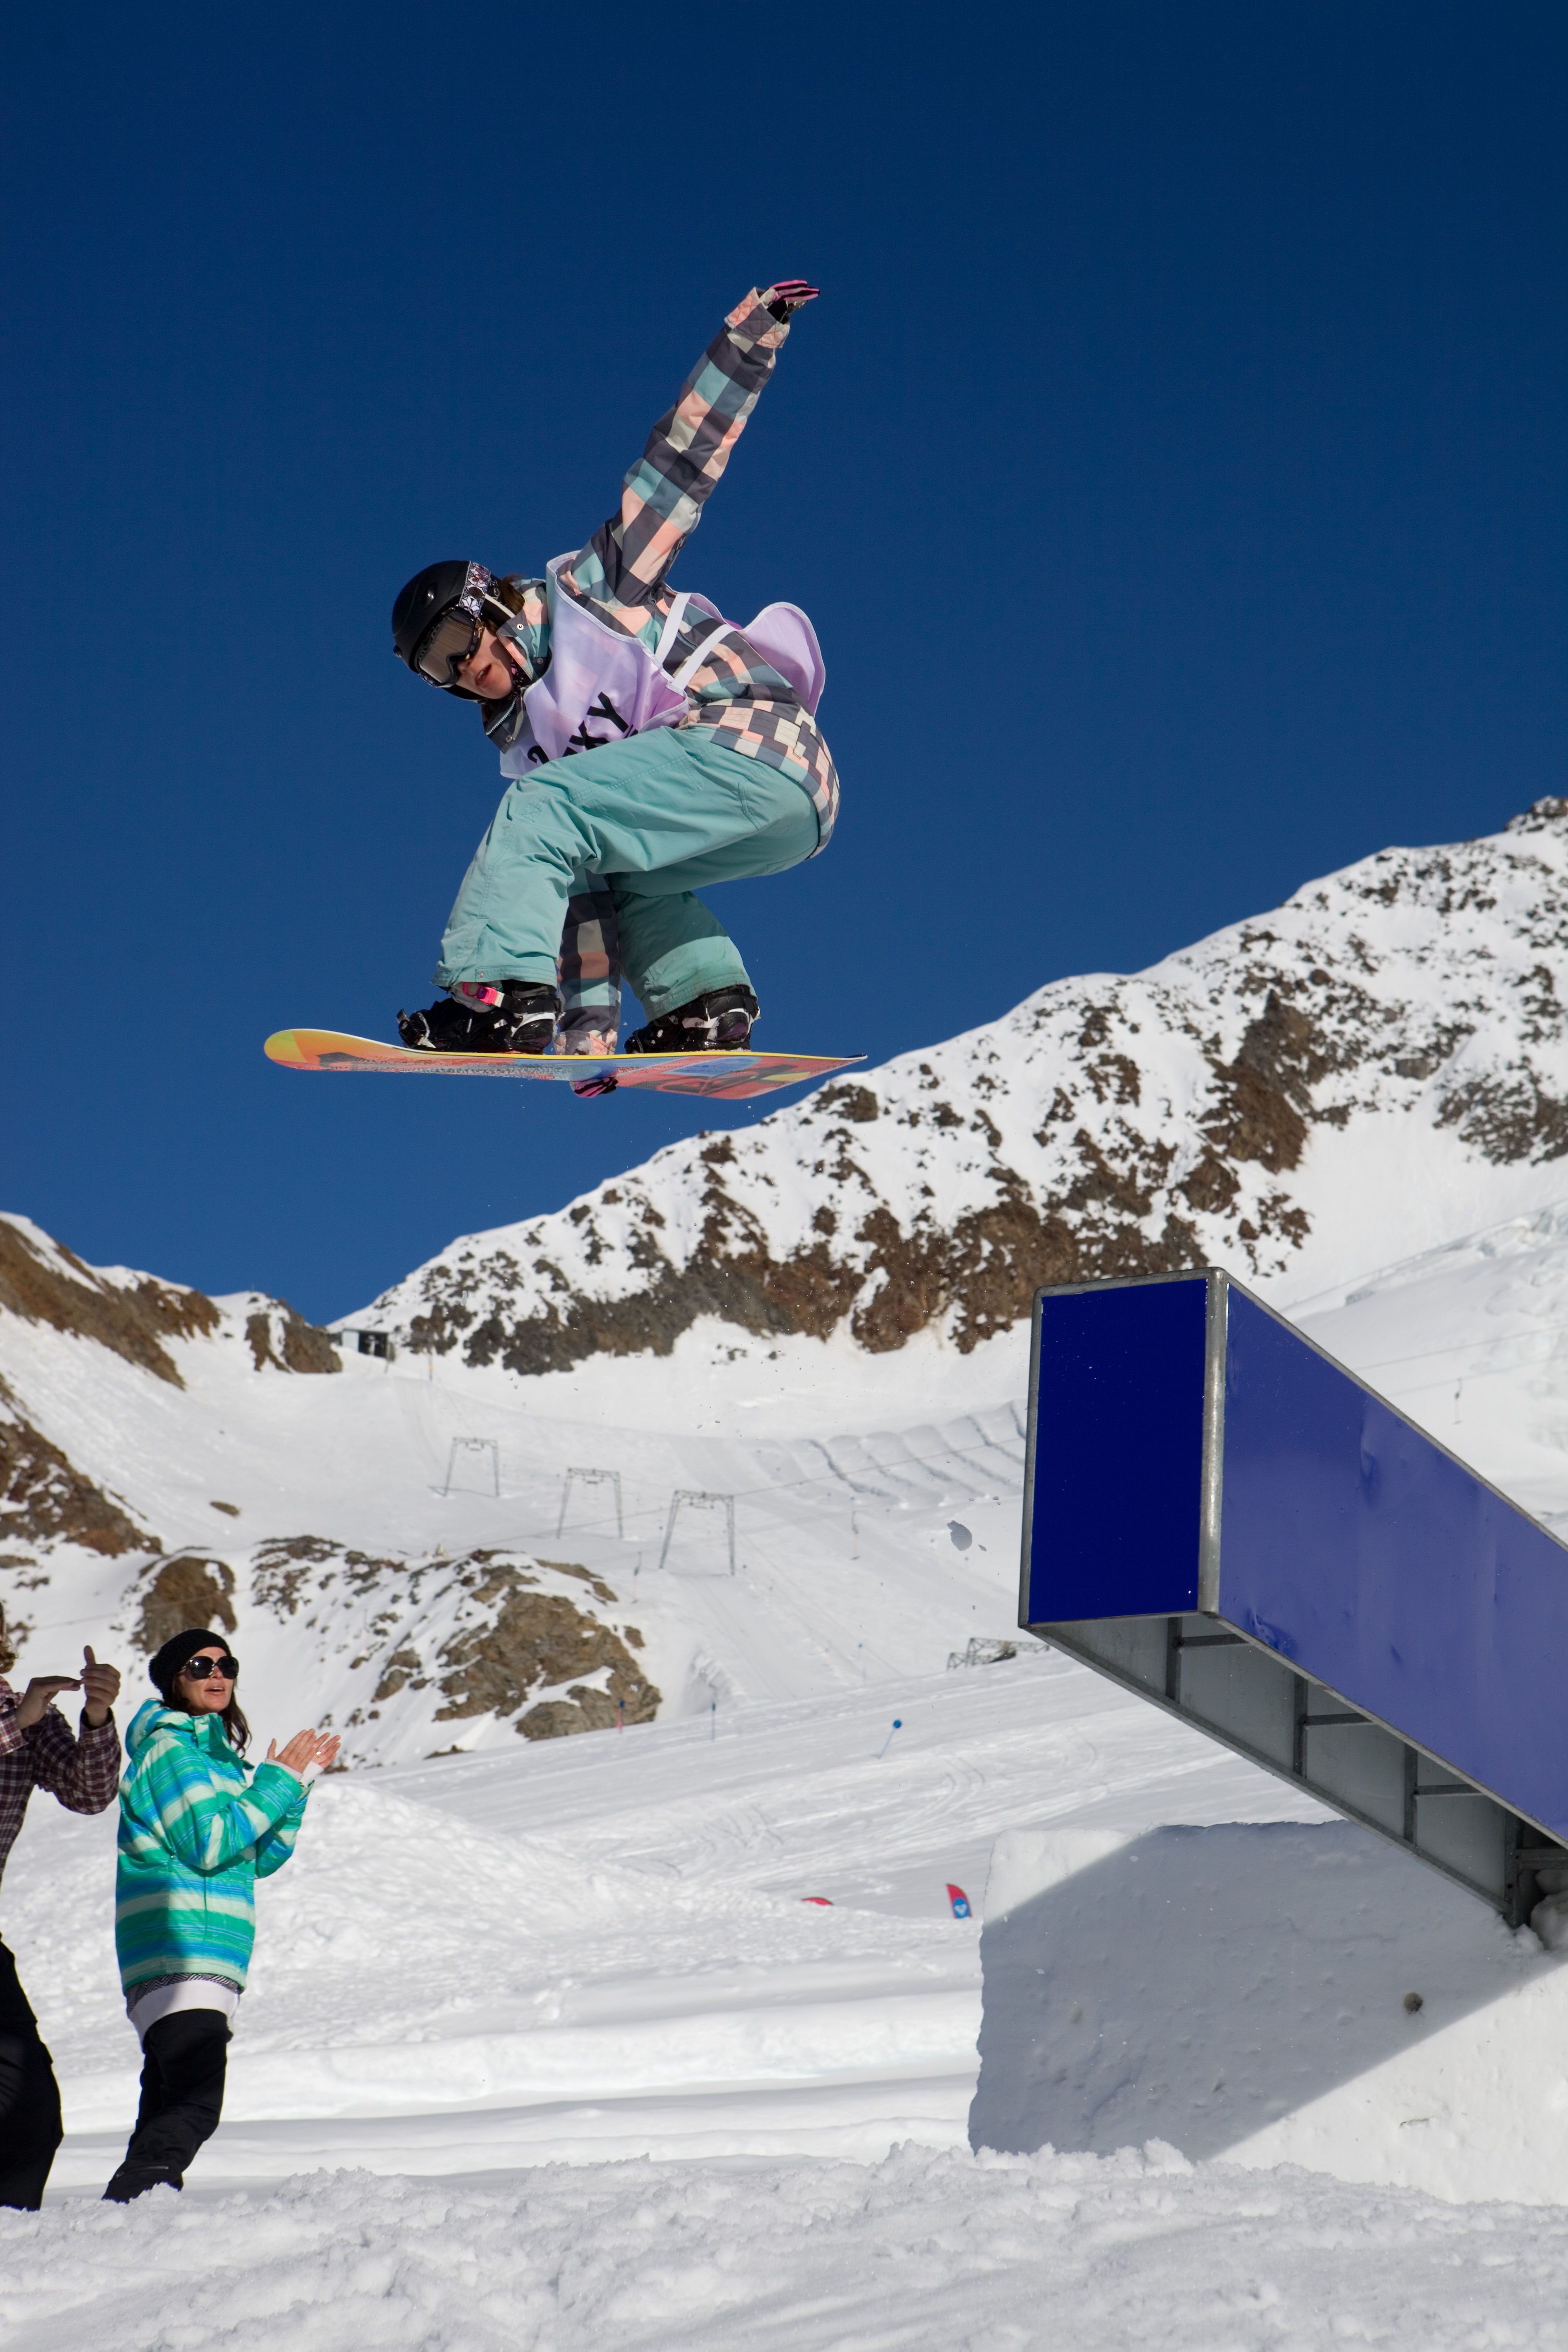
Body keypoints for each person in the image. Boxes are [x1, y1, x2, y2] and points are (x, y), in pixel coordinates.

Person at [390, 279, 836, 1072]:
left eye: (460, 638)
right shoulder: (538, 748)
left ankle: (488, 994)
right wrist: (585, 1044)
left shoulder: (593, 591)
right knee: (614, 871)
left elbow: (678, 470)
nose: (465, 668)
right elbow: (583, 902)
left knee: (536, 811)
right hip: (793, 817)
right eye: (438, 668)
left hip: (751, 737)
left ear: (490, 603)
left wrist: (750, 338)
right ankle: (705, 1004)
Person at [104, 1629, 338, 2202]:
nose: (217, 1674)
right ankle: (136, 2208)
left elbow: (257, 1858)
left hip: (207, 1956)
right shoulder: (170, 1751)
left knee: (168, 2105)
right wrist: (276, 1782)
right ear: (173, 1680)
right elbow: (210, 1843)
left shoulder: (219, 1762)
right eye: (199, 1664)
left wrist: (294, 1789)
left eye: (226, 1664)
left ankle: (127, 2218)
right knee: (195, 2103)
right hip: (177, 1949)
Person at [0, 1611, 121, 2209]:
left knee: (31, 2108)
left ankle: (11, 2245)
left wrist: (96, 1716)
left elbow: (89, 1793)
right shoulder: (18, 1715)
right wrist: (15, 1721)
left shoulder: (27, 1713)